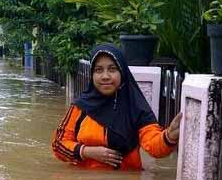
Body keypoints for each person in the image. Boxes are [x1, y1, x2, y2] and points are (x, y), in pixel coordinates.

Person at [52, 43, 182, 170]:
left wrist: (169, 136)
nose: (105, 76)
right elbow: (58, 145)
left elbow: (154, 147)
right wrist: (86, 151)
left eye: (112, 69)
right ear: (92, 75)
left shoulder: (136, 108)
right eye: (98, 70)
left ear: (122, 72)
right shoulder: (80, 107)